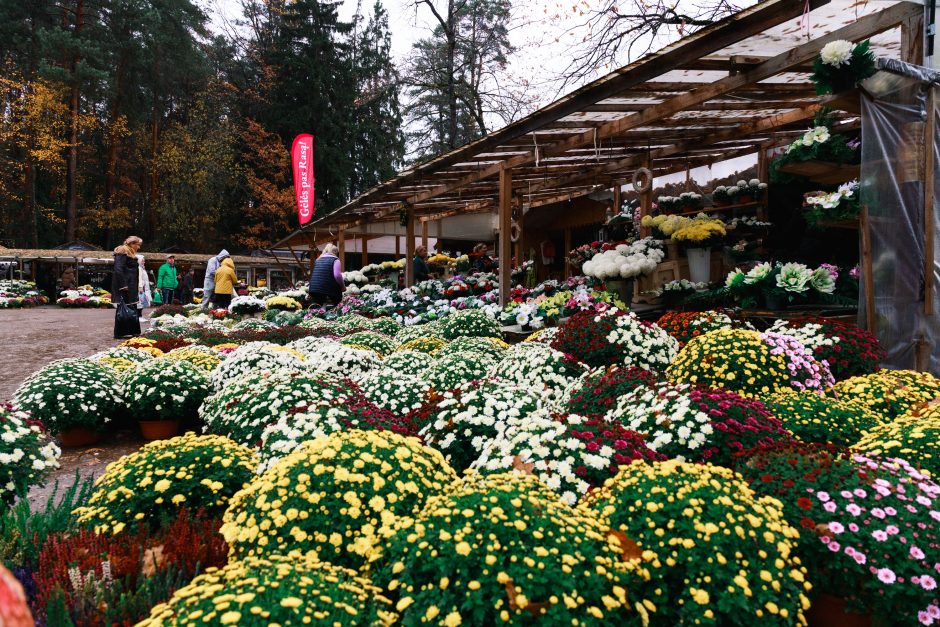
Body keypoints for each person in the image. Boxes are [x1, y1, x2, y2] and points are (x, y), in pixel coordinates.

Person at [112, 236, 142, 339]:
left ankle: (132, 331)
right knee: (124, 308)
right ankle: (121, 332)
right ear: (132, 243)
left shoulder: (130, 253)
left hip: (131, 285)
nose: (138, 247)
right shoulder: (122, 251)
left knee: (131, 307)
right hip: (126, 286)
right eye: (137, 244)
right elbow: (118, 269)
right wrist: (123, 285)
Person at [137, 255, 151, 319]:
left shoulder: (142, 268)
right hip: (141, 288)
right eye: (142, 261)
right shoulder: (139, 268)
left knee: (142, 303)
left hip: (144, 287)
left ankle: (140, 316)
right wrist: (140, 287)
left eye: (144, 261)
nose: (144, 262)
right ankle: (139, 316)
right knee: (140, 303)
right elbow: (139, 278)